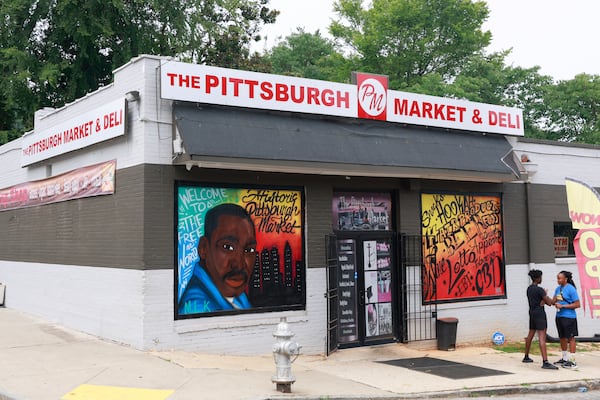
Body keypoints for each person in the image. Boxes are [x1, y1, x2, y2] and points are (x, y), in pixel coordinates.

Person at [178, 203, 257, 314]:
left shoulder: (235, 296)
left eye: (249, 250)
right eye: (227, 247)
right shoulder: (198, 308)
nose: (239, 264)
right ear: (203, 248)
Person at [522, 269, 558, 369]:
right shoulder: (540, 290)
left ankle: (526, 356)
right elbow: (550, 303)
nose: (541, 279)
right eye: (541, 277)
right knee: (542, 337)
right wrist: (548, 296)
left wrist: (543, 298)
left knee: (530, 334)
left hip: (532, 313)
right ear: (538, 278)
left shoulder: (529, 289)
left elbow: (538, 300)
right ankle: (545, 361)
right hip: (540, 314)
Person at [552, 270, 580, 369]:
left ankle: (572, 361)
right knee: (562, 337)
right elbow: (553, 301)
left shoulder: (571, 289)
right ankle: (564, 358)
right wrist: (552, 300)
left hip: (569, 317)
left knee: (570, 338)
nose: (558, 280)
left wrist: (563, 306)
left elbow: (577, 304)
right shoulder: (558, 289)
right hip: (559, 316)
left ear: (566, 279)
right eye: (557, 278)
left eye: (560, 278)